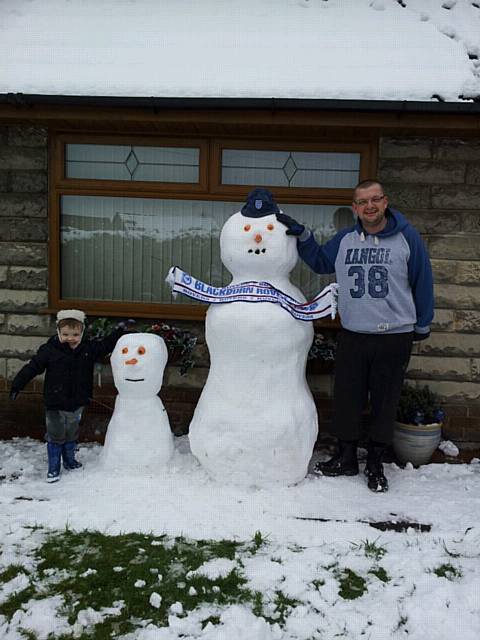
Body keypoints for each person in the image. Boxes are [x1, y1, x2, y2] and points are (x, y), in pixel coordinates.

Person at [276, 179, 434, 493]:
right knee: (347, 398)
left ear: (385, 202)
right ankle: (346, 457)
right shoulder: (346, 238)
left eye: (375, 199)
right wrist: (304, 236)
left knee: (384, 402)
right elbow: (322, 261)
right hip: (353, 334)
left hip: (393, 335)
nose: (370, 206)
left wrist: (422, 324)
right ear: (355, 208)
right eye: (363, 202)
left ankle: (375, 463)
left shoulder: (407, 238)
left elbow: (423, 280)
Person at [9, 310, 127, 483]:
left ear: (82, 333)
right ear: (58, 333)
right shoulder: (49, 350)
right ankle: (53, 467)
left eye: (75, 334)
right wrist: (17, 384)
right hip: (55, 402)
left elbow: (105, 345)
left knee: (71, 432)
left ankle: (70, 460)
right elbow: (32, 367)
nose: (70, 338)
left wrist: (119, 332)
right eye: (65, 334)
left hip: (77, 401)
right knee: (56, 434)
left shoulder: (88, 349)